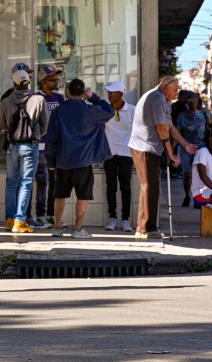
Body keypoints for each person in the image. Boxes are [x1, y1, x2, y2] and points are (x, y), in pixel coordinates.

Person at [129, 76, 198, 239]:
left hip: (148, 147)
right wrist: (171, 153)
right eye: (175, 90)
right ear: (166, 86)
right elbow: (162, 130)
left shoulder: (163, 100)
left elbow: (170, 127)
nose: (176, 93)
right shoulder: (157, 99)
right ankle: (147, 229)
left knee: (148, 186)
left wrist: (185, 144)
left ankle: (142, 227)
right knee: (150, 187)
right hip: (145, 147)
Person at [45, 79, 114, 238]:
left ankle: (57, 227)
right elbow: (109, 111)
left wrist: (50, 161)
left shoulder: (58, 111)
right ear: (83, 93)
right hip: (83, 162)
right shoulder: (92, 111)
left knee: (60, 195)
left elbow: (51, 139)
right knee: (83, 197)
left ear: (68, 92)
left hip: (62, 161)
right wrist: (93, 96)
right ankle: (77, 229)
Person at [0, 68, 48, 233]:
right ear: (28, 82)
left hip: (12, 146)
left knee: (11, 183)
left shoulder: (5, 102)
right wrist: (35, 136)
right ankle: (20, 221)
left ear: (14, 83)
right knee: (26, 183)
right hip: (30, 145)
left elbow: (2, 125)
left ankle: (10, 219)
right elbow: (44, 126)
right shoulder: (38, 99)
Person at [29, 65, 65, 229]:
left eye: (56, 79)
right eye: (52, 79)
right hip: (41, 146)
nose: (55, 81)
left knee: (56, 181)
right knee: (42, 181)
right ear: (44, 81)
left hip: (57, 147)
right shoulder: (36, 98)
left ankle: (51, 215)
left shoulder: (59, 98)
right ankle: (40, 214)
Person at [102, 81, 135, 232]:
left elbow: (137, 133)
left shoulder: (132, 111)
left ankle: (126, 220)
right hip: (109, 154)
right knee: (111, 187)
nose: (109, 95)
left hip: (126, 154)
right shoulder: (105, 110)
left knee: (126, 187)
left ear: (121, 94)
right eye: (108, 92)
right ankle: (112, 218)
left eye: (112, 93)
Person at [176, 94, 209, 207]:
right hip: (186, 148)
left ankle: (197, 198)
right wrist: (171, 150)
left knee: (200, 175)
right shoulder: (181, 116)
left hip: (202, 148)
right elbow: (177, 134)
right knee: (188, 174)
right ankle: (187, 195)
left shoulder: (204, 114)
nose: (191, 104)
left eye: (193, 102)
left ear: (197, 102)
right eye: (189, 102)